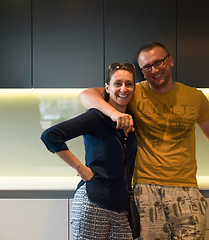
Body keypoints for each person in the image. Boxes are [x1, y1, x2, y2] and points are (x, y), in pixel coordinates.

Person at [78, 42, 209, 240]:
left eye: (158, 62)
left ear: (170, 61)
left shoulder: (195, 96)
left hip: (186, 188)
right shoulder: (133, 92)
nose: (154, 70)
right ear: (142, 71)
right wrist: (115, 114)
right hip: (145, 188)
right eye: (147, 67)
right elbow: (86, 95)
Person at [41, 62, 137, 240]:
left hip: (121, 208)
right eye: (118, 83)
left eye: (128, 84)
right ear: (107, 88)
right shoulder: (96, 116)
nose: (123, 89)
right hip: (93, 203)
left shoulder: (132, 120)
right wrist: (80, 169)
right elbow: (50, 135)